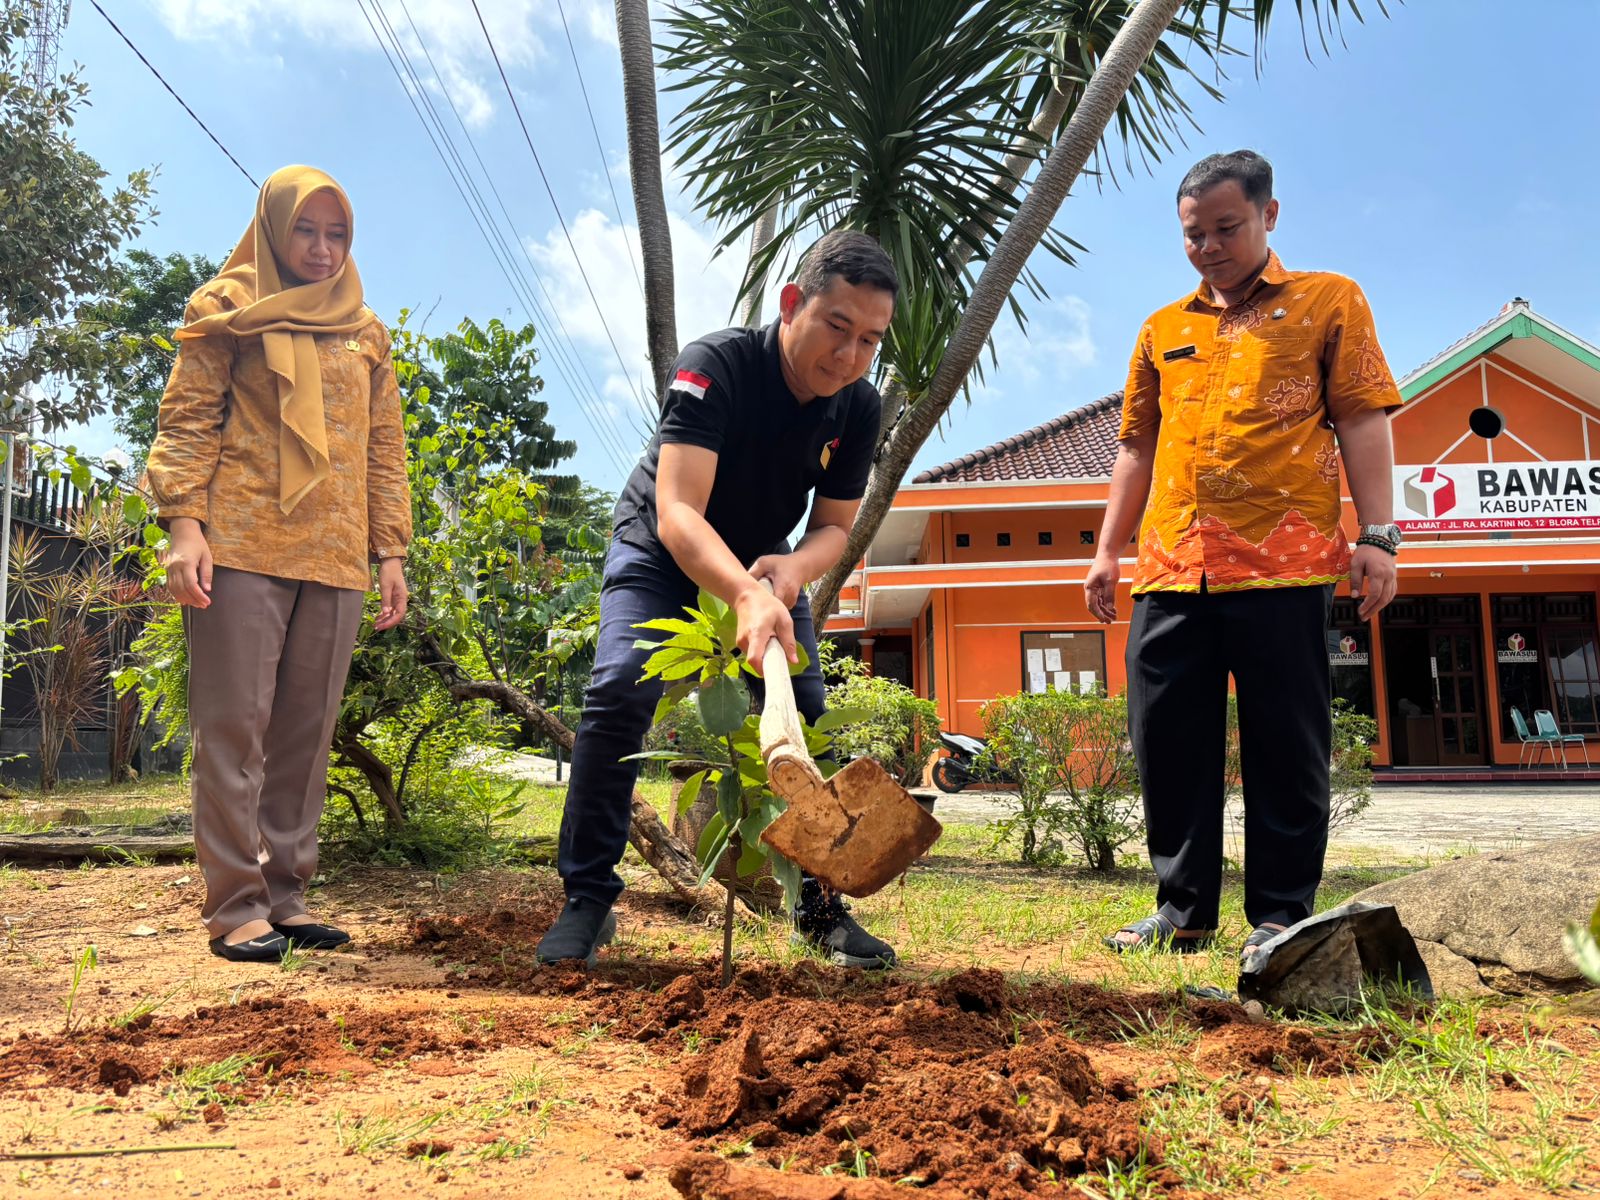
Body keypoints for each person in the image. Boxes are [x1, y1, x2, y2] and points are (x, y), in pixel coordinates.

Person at [537, 230, 899, 970]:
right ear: (793, 303)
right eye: (838, 328)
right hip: (663, 552)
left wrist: (790, 574)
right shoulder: (718, 365)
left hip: (763, 570)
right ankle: (588, 900)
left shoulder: (859, 409)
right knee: (616, 695)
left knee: (807, 718)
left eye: (870, 340)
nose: (850, 355)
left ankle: (819, 910)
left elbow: (833, 527)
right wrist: (740, 592)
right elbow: (677, 512)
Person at [1084, 150, 1402, 963]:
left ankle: (1279, 917)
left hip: (1283, 565)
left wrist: (1378, 535)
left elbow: (1364, 418)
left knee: (1285, 742)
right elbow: (1135, 448)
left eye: (1226, 228)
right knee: (1167, 739)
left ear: (1269, 215)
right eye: (1194, 235)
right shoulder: (1162, 328)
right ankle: (1182, 911)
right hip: (1169, 566)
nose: (1209, 247)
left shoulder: (1330, 301)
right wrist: (1107, 551)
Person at [145, 165, 411, 963]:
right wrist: (183, 526)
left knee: (305, 733)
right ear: (273, 227)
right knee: (235, 727)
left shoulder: (365, 330)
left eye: (337, 235)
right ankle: (235, 907)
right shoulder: (225, 308)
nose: (323, 249)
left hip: (335, 555)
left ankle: (286, 896)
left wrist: (390, 549)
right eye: (306, 230)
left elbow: (383, 449)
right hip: (241, 542)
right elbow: (188, 418)